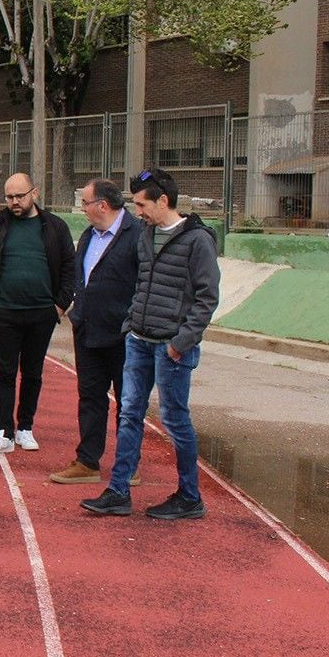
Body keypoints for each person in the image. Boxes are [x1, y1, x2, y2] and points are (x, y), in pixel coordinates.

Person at [82, 168, 220, 520]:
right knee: (129, 414)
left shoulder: (197, 240)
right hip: (139, 340)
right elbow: (141, 282)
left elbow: (207, 298)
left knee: (175, 421)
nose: (137, 212)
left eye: (142, 205)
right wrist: (131, 325)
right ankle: (118, 492)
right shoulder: (145, 233)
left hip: (171, 347)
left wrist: (180, 343)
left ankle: (190, 496)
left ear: (163, 200)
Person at [0, 172, 76, 455]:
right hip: (4, 312)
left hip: (42, 313)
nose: (15, 202)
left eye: (20, 196)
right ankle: (4, 432)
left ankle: (25, 427)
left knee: (33, 373)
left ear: (35, 193)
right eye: (9, 197)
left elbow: (69, 268)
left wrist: (59, 305)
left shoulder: (54, 226)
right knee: (5, 373)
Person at [50, 178, 142, 485]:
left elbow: (144, 283)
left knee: (128, 402)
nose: (83, 210)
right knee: (90, 397)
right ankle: (88, 461)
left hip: (123, 334)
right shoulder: (88, 235)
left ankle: (128, 464)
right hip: (88, 329)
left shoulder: (137, 235)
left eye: (85, 203)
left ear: (102, 205)